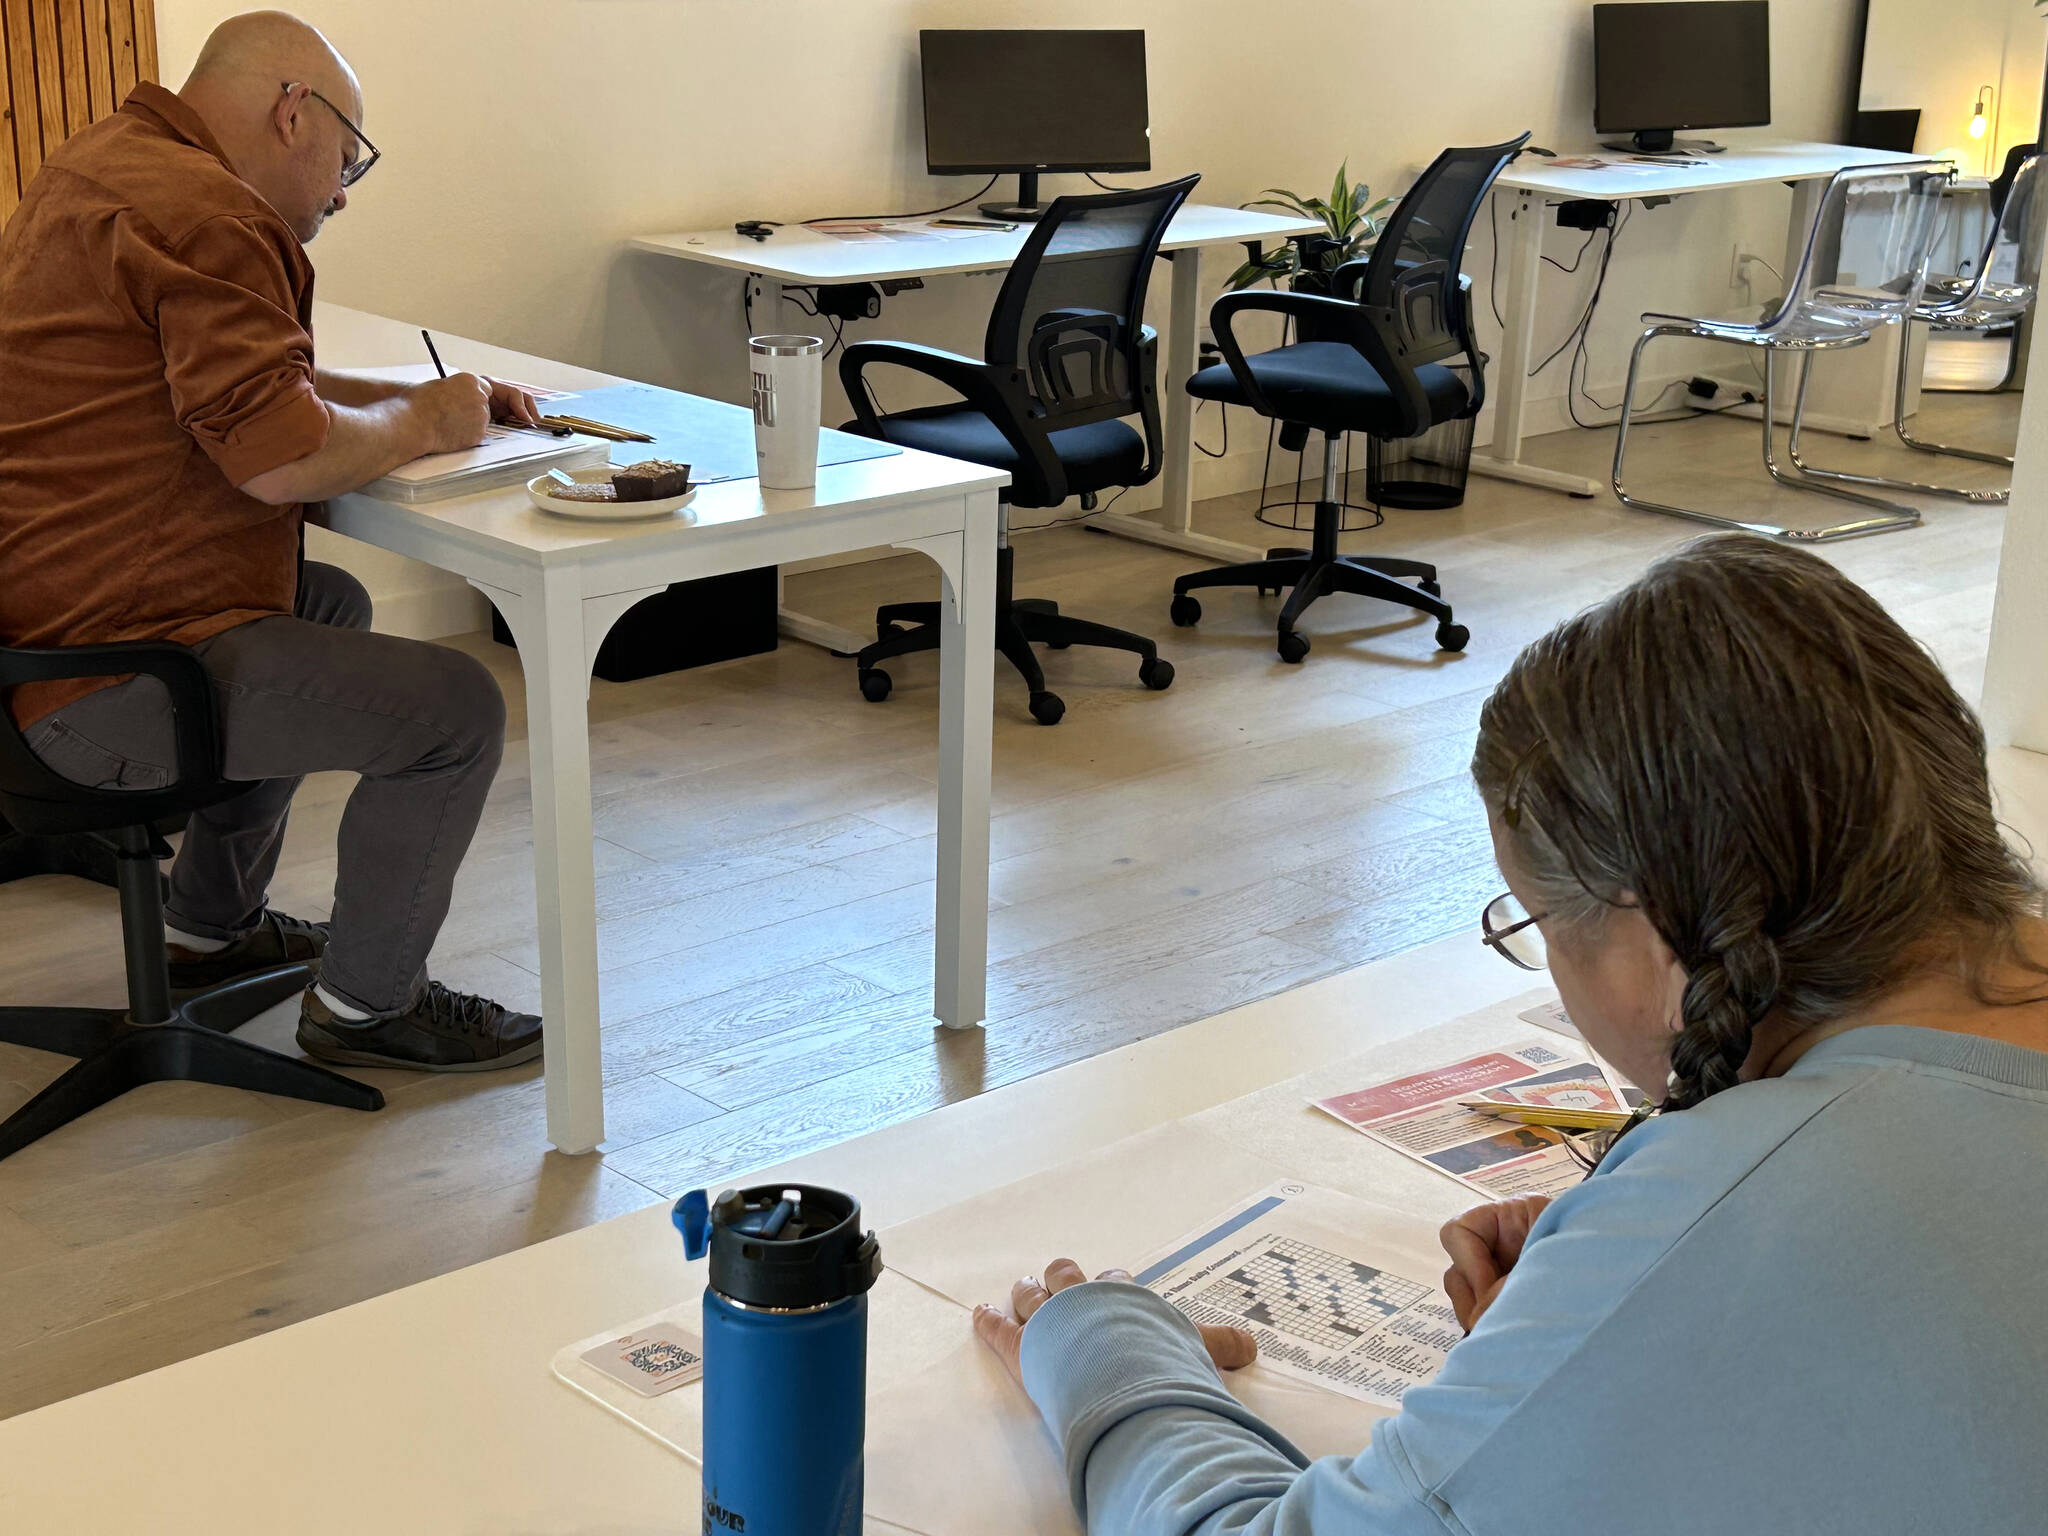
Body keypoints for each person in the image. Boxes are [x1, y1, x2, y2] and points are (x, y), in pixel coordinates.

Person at [972, 534, 2048, 1533]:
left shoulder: (1749, 1196)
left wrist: (1106, 1356)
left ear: (1646, 927)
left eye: (1532, 921)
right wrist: (1612, 1332)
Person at [0, 12, 541, 1071]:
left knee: (322, 602)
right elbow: (279, 458)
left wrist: (417, 398)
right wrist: (429, 426)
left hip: (37, 641)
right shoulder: (210, 212)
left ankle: (207, 926)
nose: (340, 192)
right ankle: (366, 1009)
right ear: (295, 112)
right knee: (455, 708)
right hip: (104, 690)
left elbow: (249, 385)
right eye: (347, 161)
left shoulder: (102, 166)